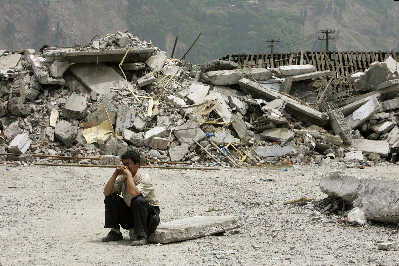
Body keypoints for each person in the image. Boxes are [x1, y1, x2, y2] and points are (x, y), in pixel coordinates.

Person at [102, 150, 160, 246]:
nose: (125, 167)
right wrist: (115, 174)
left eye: (128, 164)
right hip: (133, 213)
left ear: (137, 165)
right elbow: (107, 192)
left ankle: (142, 236)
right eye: (124, 164)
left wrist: (128, 175)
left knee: (138, 200)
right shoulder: (123, 178)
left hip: (149, 216)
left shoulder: (144, 178)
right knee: (111, 198)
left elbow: (134, 193)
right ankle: (115, 232)